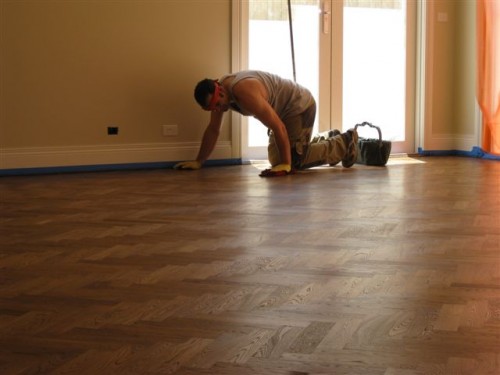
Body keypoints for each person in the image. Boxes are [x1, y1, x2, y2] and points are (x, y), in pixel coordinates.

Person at [174, 70, 358, 177]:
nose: (217, 110)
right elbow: (213, 129)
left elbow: (279, 127)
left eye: (217, 105)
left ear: (220, 92)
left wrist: (287, 165)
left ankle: (344, 142)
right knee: (275, 160)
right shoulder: (222, 93)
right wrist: (199, 161)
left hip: (299, 106)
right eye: (212, 109)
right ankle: (327, 139)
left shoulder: (244, 92)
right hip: (283, 114)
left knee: (294, 161)